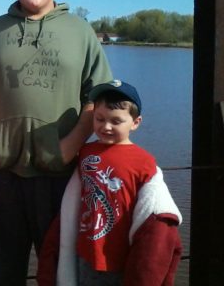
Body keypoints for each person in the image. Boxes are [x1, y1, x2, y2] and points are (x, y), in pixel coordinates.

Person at [0, 0, 113, 285]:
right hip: (3, 169)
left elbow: (97, 95)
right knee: (4, 264)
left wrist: (71, 145)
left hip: (59, 171)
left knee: (58, 264)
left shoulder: (79, 31)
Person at [37, 79, 182, 286]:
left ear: (135, 122)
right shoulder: (86, 151)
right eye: (100, 118)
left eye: (116, 121)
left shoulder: (144, 162)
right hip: (85, 251)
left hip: (118, 256)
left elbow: (150, 207)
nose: (106, 126)